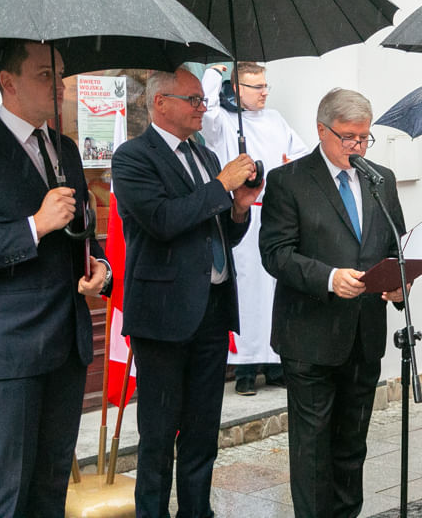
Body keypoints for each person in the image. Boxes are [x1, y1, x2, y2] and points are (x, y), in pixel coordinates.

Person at [0, 39, 110, 517]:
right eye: (45, 75)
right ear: (8, 82)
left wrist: (101, 267)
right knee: (6, 496)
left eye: (61, 73)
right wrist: (33, 226)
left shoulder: (65, 148)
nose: (60, 85)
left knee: (50, 490)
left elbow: (84, 233)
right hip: (8, 350)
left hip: (66, 345)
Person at [111, 66, 261, 517]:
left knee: (202, 432)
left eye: (202, 99)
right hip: (162, 315)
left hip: (212, 311)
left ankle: (197, 511)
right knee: (158, 435)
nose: (203, 107)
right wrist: (220, 188)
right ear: (161, 103)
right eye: (193, 99)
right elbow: (162, 221)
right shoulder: (133, 157)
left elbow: (219, 235)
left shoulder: (206, 155)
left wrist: (239, 208)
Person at [259, 88, 405, 517]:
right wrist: (328, 278)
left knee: (351, 445)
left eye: (365, 137)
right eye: (348, 138)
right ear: (321, 130)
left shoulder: (382, 179)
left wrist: (398, 284)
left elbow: (394, 243)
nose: (358, 147)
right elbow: (276, 253)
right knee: (312, 449)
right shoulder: (289, 181)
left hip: (364, 334)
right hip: (310, 337)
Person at [201, 62, 308, 396]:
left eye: (265, 86)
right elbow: (207, 108)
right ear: (237, 89)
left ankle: (274, 362)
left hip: (274, 213)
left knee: (274, 287)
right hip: (241, 212)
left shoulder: (276, 119)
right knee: (248, 291)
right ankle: (246, 366)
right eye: (256, 87)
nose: (263, 92)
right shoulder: (224, 122)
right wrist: (215, 72)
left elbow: (300, 154)